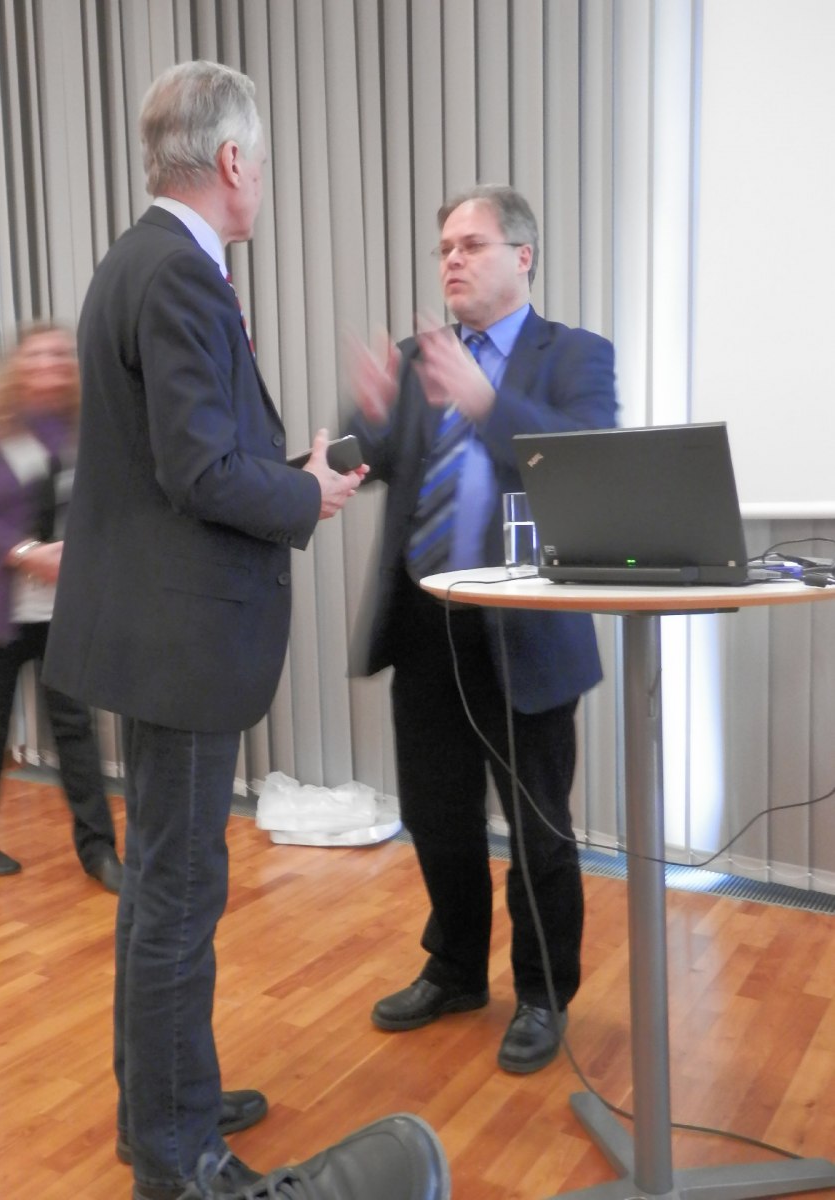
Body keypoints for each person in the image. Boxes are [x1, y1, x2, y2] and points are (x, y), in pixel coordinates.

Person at [43, 61, 448, 1200]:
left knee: (161, 887)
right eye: (260, 163)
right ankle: (177, 1158)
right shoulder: (182, 273)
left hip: (150, 631)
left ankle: (160, 1099)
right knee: (179, 896)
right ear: (231, 161)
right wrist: (305, 492)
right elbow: (200, 472)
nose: (262, 181)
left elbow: (194, 458)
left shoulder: (137, 261)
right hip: (181, 642)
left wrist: (294, 469)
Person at [345, 184, 618, 1075]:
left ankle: (542, 992)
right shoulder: (417, 359)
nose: (452, 260)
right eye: (444, 250)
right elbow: (372, 460)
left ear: (523, 257)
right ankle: (456, 968)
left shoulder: (575, 355)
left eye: (471, 245)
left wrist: (486, 404)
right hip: (426, 624)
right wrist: (367, 421)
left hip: (526, 631)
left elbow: (587, 464)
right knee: (436, 817)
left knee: (538, 828)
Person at [0, 324, 122, 892]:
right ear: (16, 366)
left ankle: (99, 851)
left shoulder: (82, 430)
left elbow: (102, 506)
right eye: (37, 355)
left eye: (59, 354)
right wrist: (25, 554)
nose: (50, 363)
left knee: (75, 728)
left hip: (61, 611)